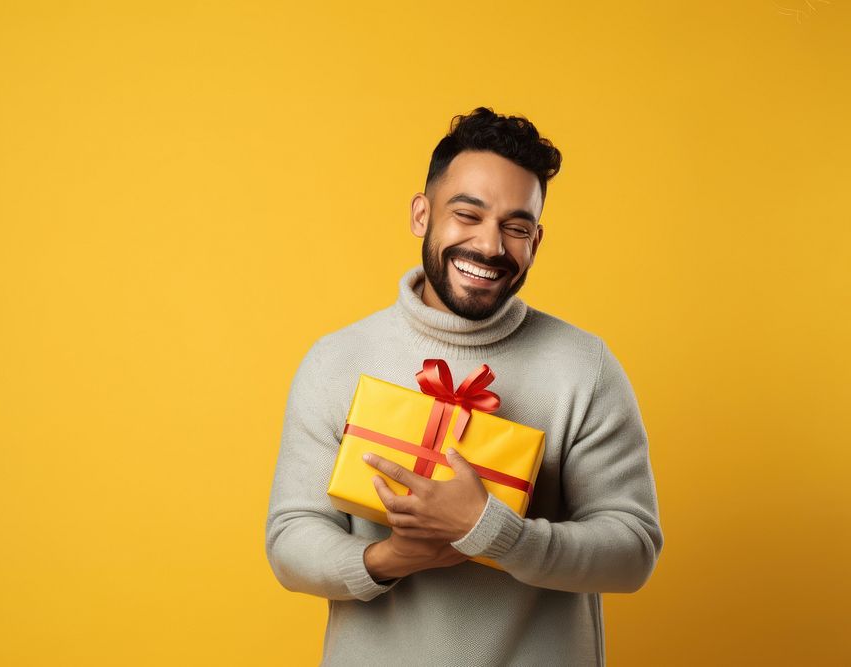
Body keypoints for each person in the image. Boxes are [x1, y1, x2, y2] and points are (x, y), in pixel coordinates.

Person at [264, 106, 663, 666]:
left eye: (516, 227)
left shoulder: (584, 367)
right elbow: (290, 539)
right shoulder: (337, 361)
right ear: (421, 215)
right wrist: (392, 557)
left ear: (536, 241)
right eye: (467, 214)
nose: (490, 246)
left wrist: (493, 532)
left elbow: (633, 551)